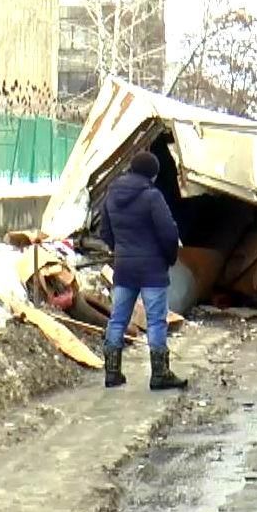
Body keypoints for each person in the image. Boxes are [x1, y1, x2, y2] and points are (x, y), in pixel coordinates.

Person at [99, 151, 186, 391]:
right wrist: (169, 258)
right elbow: (169, 232)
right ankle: (160, 374)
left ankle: (112, 373)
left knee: (117, 319)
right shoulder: (152, 197)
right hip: (152, 270)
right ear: (152, 174)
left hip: (124, 268)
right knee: (157, 321)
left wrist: (119, 250)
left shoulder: (112, 194)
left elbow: (104, 231)